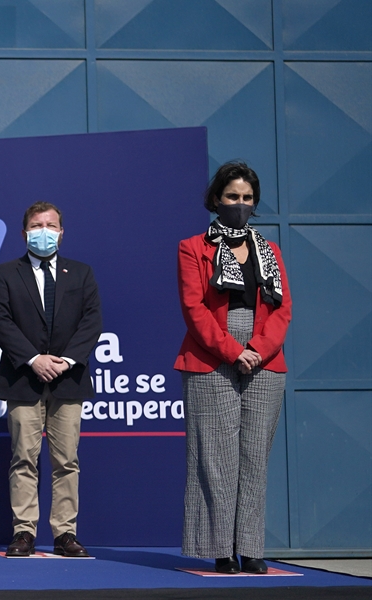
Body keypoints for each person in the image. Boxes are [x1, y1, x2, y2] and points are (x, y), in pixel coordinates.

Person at [175, 161, 290, 575]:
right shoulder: (193, 247)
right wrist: (231, 350)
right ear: (216, 200)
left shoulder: (270, 250)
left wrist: (257, 350)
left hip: (265, 356)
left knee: (254, 458)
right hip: (212, 356)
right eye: (231, 197)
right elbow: (194, 308)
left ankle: (253, 548)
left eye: (246, 198)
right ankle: (222, 550)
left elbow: (283, 310)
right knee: (215, 457)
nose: (239, 204)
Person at [0, 202, 102, 558]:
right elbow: (0, 320)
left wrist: (66, 361)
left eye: (50, 225)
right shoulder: (6, 273)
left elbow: (91, 321)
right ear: (24, 233)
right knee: (24, 457)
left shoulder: (81, 273)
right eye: (37, 225)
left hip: (69, 381)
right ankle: (24, 532)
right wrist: (34, 359)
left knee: (66, 460)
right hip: (24, 378)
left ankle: (64, 534)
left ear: (61, 231)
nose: (44, 231)